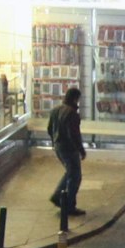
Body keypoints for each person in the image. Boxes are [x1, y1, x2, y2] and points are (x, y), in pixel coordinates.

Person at [48, 87, 87, 216]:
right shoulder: (72, 114)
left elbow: (49, 129)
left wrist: (54, 141)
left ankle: (58, 195)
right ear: (75, 99)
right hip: (69, 148)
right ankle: (69, 205)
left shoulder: (55, 110)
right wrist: (81, 150)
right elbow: (74, 134)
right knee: (75, 176)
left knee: (70, 172)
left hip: (58, 146)